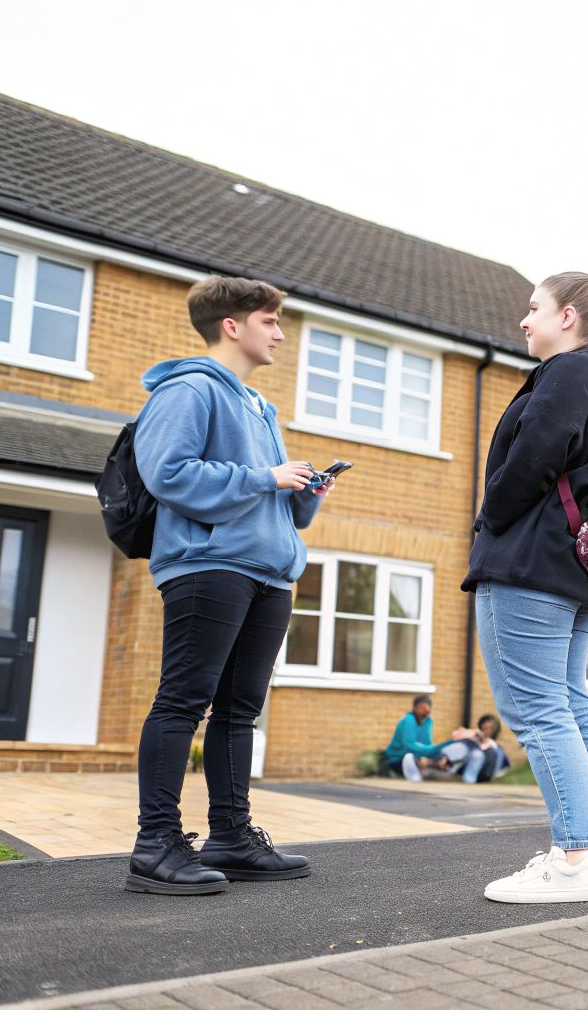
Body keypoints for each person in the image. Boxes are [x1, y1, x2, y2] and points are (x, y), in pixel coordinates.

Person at [464, 272, 588, 903]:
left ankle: (571, 862)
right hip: (573, 570)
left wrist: (489, 519)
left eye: (534, 309)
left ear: (570, 316)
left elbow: (534, 457)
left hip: (529, 561)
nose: (524, 322)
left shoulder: (573, 371)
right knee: (572, 705)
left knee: (539, 713)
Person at [128, 276, 333, 895]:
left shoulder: (259, 407)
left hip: (269, 572)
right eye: (269, 321)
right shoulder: (188, 389)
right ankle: (154, 844)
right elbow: (168, 473)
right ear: (232, 325)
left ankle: (231, 836)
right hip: (208, 567)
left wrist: (303, 488)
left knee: (240, 710)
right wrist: (266, 476)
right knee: (183, 701)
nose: (279, 332)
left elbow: (270, 497)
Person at [385, 694, 449, 782]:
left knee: (442, 756)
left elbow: (427, 744)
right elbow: (408, 745)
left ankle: (426, 770)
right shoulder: (408, 720)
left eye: (428, 707)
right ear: (415, 708)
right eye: (422, 707)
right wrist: (423, 755)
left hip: (418, 754)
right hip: (398, 758)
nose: (426, 709)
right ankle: (416, 774)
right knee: (412, 757)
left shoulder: (428, 721)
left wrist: (438, 754)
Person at [440, 714, 512, 783]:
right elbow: (455, 736)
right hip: (461, 762)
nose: (487, 730)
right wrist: (473, 733)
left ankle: (468, 780)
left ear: (494, 730)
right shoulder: (474, 735)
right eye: (485, 727)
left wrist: (484, 742)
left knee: (477, 754)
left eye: (490, 728)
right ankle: (446, 760)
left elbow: (496, 769)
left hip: (481, 771)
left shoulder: (495, 747)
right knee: (465, 746)